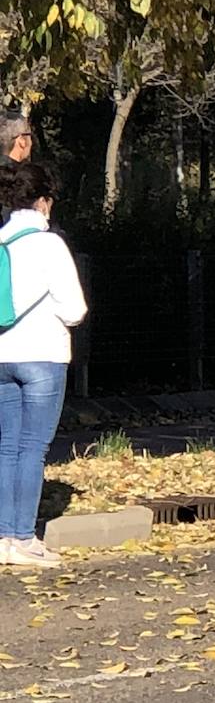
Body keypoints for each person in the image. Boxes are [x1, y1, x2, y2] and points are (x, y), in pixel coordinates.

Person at [0, 161, 87, 568]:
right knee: (33, 450)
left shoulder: (1, 242)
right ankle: (24, 539)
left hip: (2, 356)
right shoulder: (50, 245)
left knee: (6, 448)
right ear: (44, 202)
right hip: (43, 357)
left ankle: (3, 536)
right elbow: (74, 310)